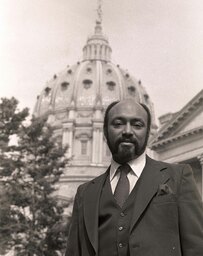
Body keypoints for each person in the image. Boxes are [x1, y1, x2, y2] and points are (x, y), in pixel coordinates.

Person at [65, 99, 203, 256]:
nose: (128, 131)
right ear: (104, 131)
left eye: (137, 125)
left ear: (148, 132)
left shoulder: (178, 176)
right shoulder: (85, 193)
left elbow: (197, 248)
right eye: (118, 124)